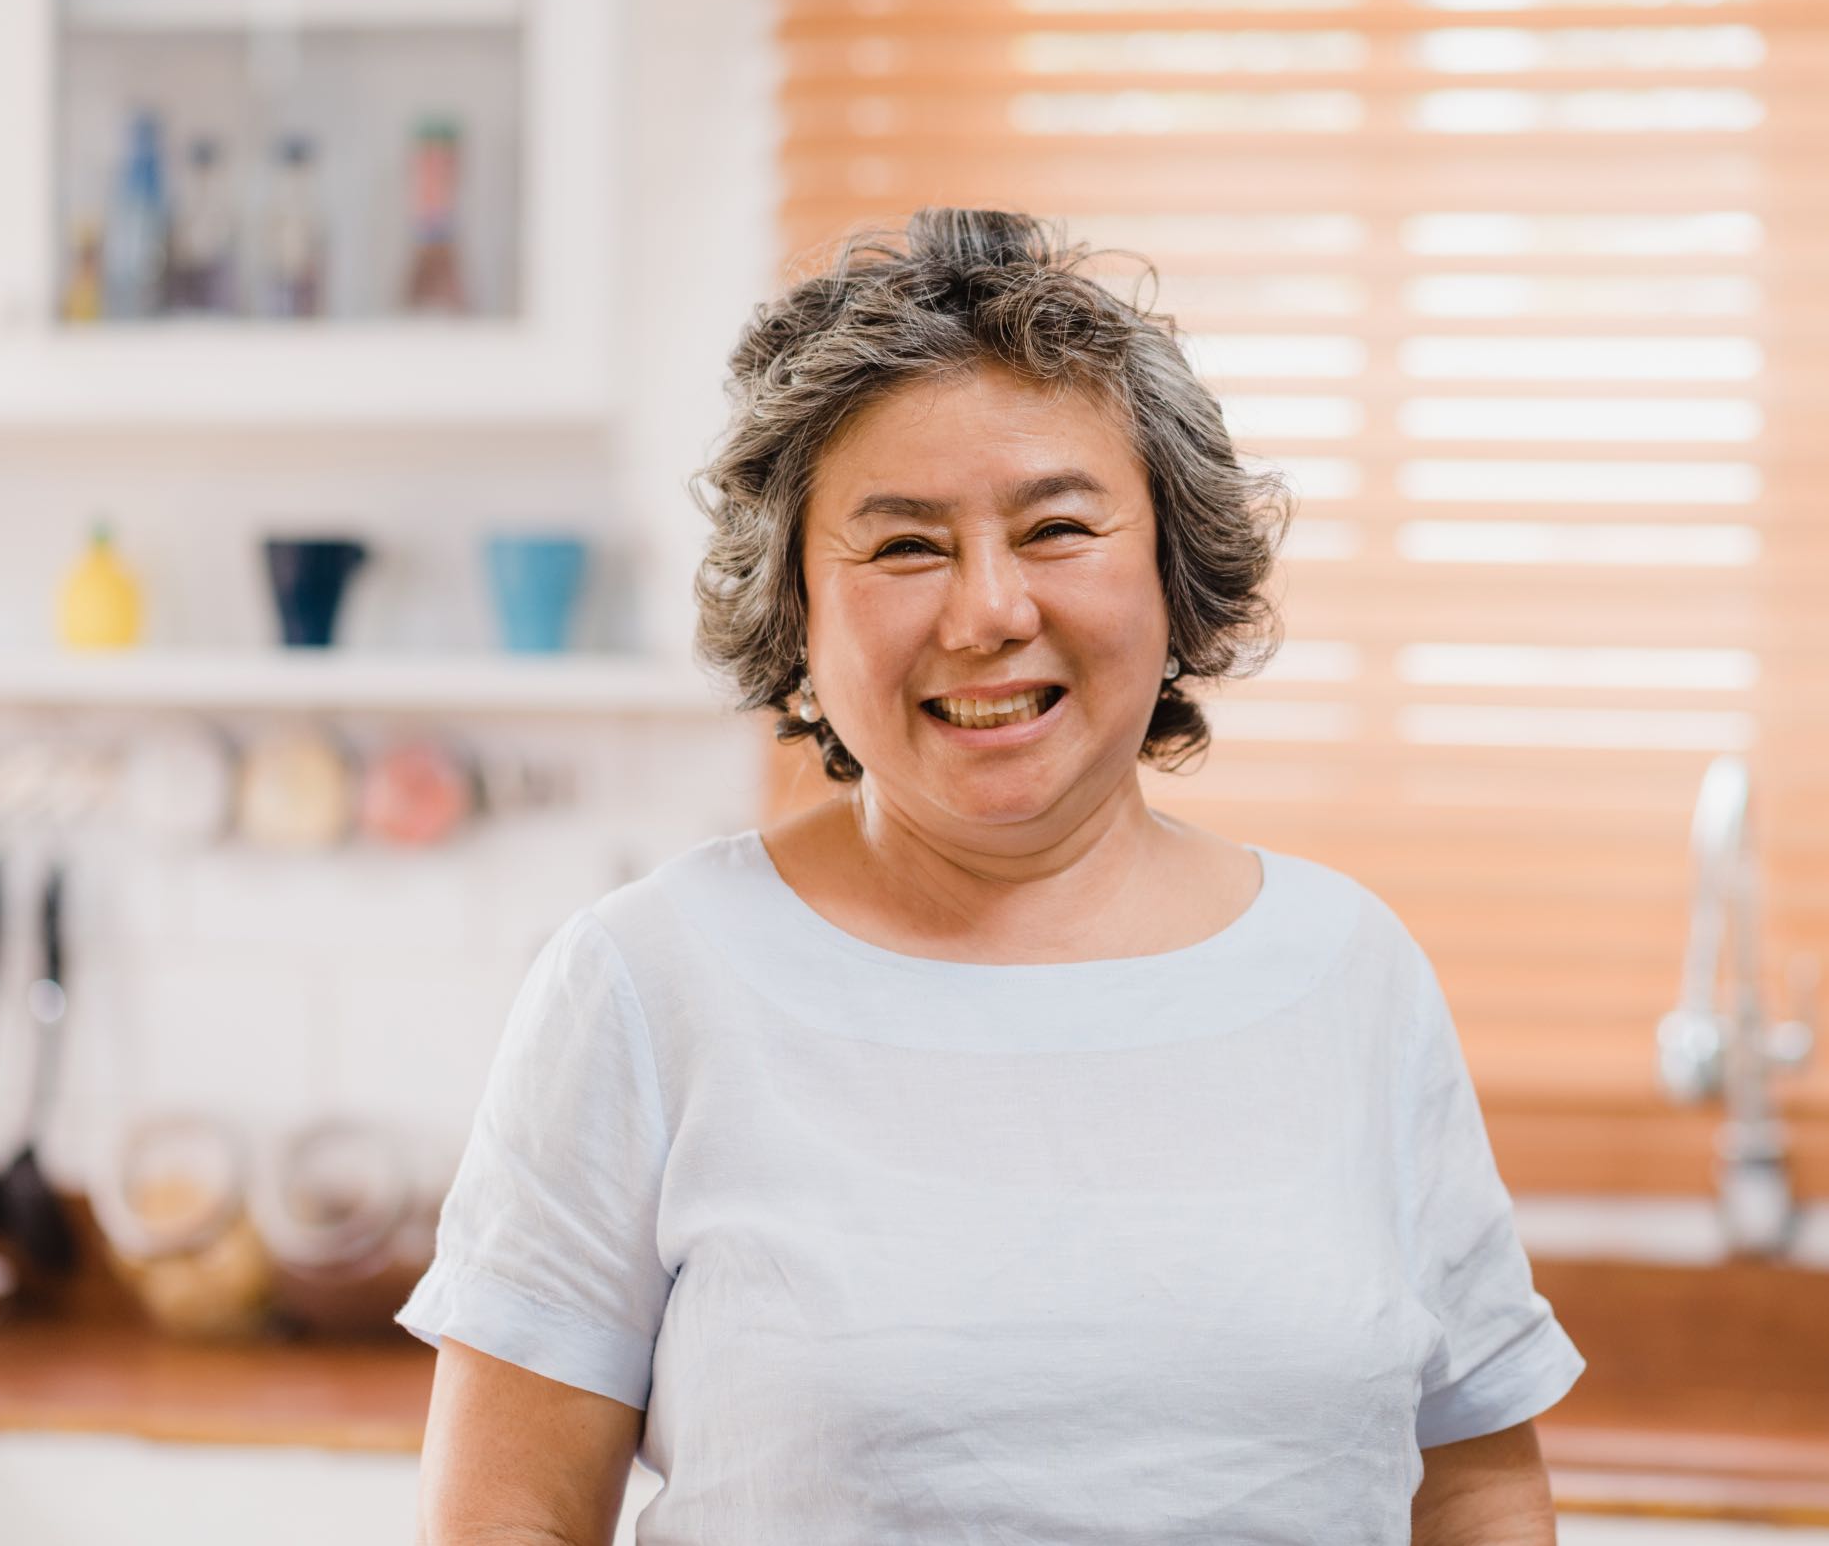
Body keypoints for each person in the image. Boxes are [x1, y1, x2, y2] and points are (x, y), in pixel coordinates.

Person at [395, 208, 1585, 1543]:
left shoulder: (1347, 971)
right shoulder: (644, 983)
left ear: (1172, 566)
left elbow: (1478, 1475)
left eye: (1059, 528)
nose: (988, 613)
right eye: (905, 545)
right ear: (794, 608)